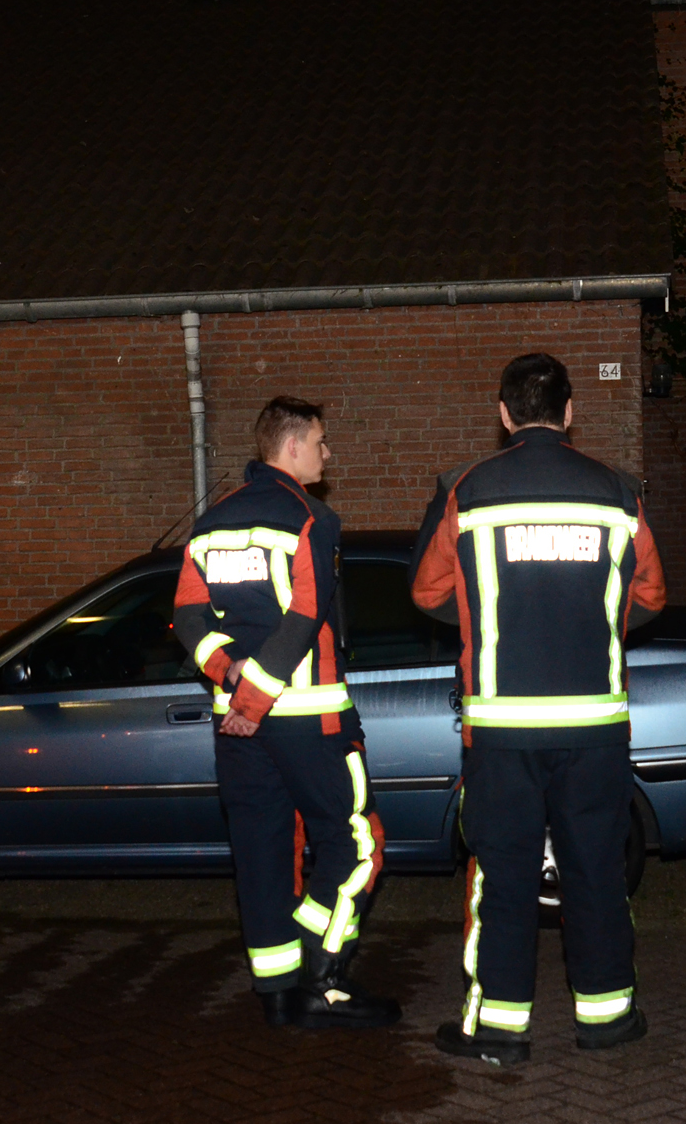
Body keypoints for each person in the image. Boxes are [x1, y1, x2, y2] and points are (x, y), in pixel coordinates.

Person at [410, 354, 665, 1065]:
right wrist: (593, 621)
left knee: (506, 874)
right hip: (594, 727)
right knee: (595, 870)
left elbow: (427, 595)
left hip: (502, 730)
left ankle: (498, 1028)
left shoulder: (469, 489)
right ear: (571, 410)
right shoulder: (617, 492)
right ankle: (608, 1018)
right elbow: (650, 597)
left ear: (503, 415)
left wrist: (492, 610)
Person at [173, 396, 401, 1027]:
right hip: (310, 719)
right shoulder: (310, 519)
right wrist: (254, 695)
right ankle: (322, 978)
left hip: (238, 729)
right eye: (322, 443)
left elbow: (187, 617)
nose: (328, 455)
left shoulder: (210, 523)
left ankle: (278, 995)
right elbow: (305, 618)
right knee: (357, 847)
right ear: (293, 446)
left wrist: (229, 676)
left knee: (262, 852)